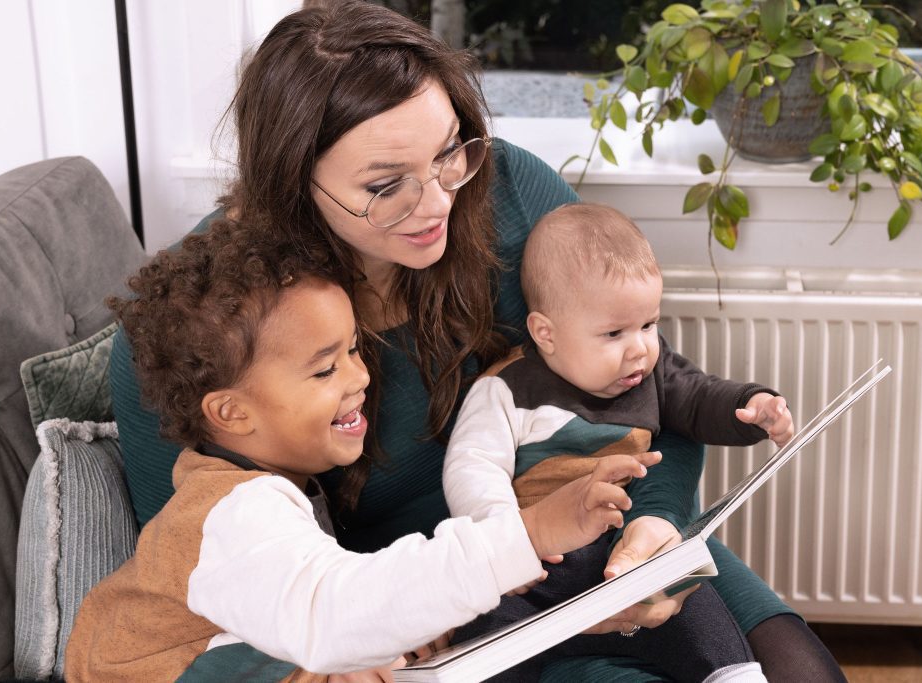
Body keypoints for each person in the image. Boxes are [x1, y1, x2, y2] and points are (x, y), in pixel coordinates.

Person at [109, 3, 847, 680]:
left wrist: (650, 526)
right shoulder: (206, 324)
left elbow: (648, 380)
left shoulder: (512, 195)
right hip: (433, 612)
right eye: (384, 184)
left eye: (447, 152)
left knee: (799, 669)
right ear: (294, 179)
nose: (436, 201)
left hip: (605, 521)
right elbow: (218, 575)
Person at [66, 218, 661, 681]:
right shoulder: (230, 512)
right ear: (231, 412)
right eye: (325, 368)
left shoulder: (260, 491)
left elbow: (313, 613)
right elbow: (335, 609)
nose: (358, 378)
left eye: (353, 350)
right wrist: (527, 535)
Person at [442, 203, 793, 682]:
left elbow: (701, 398)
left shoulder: (651, 374)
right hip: (539, 567)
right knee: (482, 631)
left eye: (649, 324)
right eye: (614, 333)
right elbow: (473, 465)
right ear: (546, 333)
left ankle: (732, 674)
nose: (641, 348)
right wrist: (508, 540)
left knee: (693, 592)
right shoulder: (506, 389)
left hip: (628, 562)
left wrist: (753, 406)